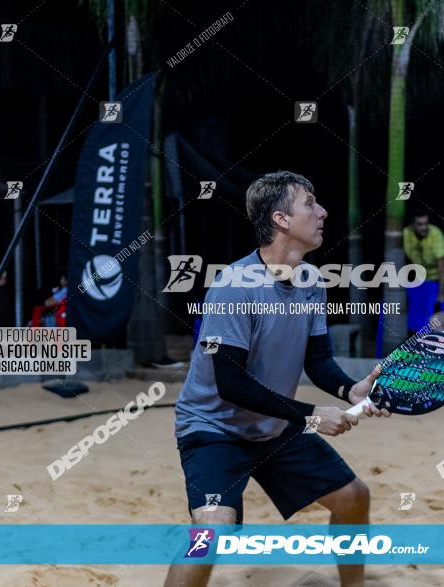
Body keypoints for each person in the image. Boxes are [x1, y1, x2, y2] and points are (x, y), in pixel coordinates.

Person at [165, 171, 389, 587]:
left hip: (273, 426)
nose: (322, 212)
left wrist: (349, 389)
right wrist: (309, 415)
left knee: (354, 498)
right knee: (209, 534)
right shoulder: (235, 284)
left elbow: (317, 360)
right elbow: (230, 383)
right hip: (214, 429)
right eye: (310, 203)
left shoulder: (311, 281)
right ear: (281, 218)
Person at [403, 208, 444, 307]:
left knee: (443, 301)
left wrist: (441, 294)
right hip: (424, 275)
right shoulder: (406, 234)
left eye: (426, 223)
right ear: (412, 226)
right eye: (420, 224)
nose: (424, 227)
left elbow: (442, 265)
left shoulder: (435, 233)